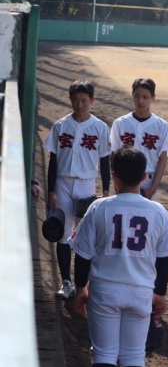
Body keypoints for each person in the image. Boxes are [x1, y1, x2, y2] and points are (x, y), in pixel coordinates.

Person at [70, 147, 168, 367]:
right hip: (141, 292)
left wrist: (80, 288)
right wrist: (160, 293)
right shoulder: (158, 211)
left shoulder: (99, 207)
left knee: (104, 354)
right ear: (144, 177)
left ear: (114, 176)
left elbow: (83, 255)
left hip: (104, 289)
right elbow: (164, 259)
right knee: (133, 356)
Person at [44, 80, 111, 300]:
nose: (79, 105)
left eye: (84, 100)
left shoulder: (100, 127)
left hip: (86, 185)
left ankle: (84, 284)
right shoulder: (60, 125)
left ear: (92, 100)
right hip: (62, 184)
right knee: (62, 234)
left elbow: (105, 161)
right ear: (69, 99)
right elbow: (53, 161)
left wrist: (106, 191)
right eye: (75, 100)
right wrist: (51, 190)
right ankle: (66, 282)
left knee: (85, 236)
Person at [110, 78, 168, 201]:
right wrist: (117, 185)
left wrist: (152, 189)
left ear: (153, 97)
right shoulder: (120, 123)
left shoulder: (162, 125)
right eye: (137, 96)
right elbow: (114, 156)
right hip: (124, 181)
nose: (140, 101)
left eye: (145, 97)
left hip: (149, 182)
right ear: (132, 95)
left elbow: (162, 158)